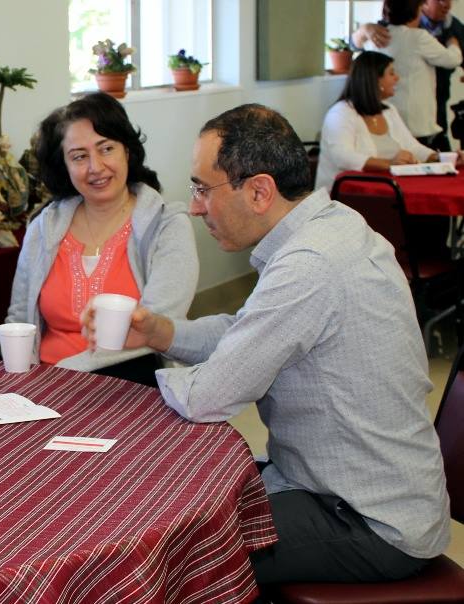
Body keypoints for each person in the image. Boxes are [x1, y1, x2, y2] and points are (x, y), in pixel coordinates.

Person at [83, 104, 450, 585]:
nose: (195, 207)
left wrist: (142, 378)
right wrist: (161, 332)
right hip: (350, 486)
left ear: (259, 191)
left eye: (201, 188)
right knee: (178, 499)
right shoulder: (330, 225)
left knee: (170, 552)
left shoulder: (310, 264)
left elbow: (208, 397)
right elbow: (249, 330)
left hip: (366, 518)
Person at [6, 93, 198, 386]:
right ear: (65, 166)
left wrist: (64, 376)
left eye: (106, 149)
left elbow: (156, 327)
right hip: (43, 386)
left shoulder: (167, 225)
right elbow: (19, 319)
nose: (95, 167)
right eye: (79, 156)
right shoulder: (43, 227)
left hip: (132, 385)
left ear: (127, 152)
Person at [316, 50, 439, 190]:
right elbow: (342, 157)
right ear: (375, 79)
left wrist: (440, 158)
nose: (397, 78)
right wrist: (389, 164)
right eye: (391, 73)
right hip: (348, 197)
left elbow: (412, 146)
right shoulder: (340, 113)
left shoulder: (389, 110)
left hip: (387, 190)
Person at [355, 0, 464, 150]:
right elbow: (453, 59)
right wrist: (453, 44)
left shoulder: (380, 37)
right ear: (420, 7)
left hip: (392, 114)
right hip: (418, 119)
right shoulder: (418, 36)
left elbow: (360, 46)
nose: (446, 4)